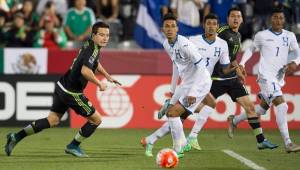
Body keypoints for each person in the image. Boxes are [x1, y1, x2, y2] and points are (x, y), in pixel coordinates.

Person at [152, 7, 278, 152]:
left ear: (242, 19)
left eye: (238, 16)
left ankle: (260, 140)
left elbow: (229, 59)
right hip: (215, 78)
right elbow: (208, 42)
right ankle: (174, 132)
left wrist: (238, 69)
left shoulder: (237, 35)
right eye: (232, 16)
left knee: (249, 106)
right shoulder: (221, 31)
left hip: (230, 78)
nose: (235, 19)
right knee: (191, 109)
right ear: (227, 19)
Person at [5, 21, 122, 158]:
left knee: (52, 120)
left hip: (62, 85)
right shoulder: (92, 49)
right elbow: (85, 71)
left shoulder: (90, 44)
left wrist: (107, 76)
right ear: (94, 35)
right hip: (72, 92)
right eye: (102, 35)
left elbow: (94, 62)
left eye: (107, 35)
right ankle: (73, 146)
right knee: (96, 120)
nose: (105, 38)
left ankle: (16, 136)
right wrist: (99, 84)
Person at [228, 7, 300, 153]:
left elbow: (298, 52)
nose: (278, 20)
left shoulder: (290, 35)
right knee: (283, 106)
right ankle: (288, 142)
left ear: (284, 20)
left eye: (281, 18)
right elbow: (250, 49)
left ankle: (234, 120)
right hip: (265, 77)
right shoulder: (262, 35)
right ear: (270, 19)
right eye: (275, 18)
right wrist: (242, 64)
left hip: (279, 78)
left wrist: (296, 62)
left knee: (261, 109)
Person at [141, 12, 212, 158]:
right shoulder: (166, 44)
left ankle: (178, 148)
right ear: (162, 29)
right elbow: (176, 65)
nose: (170, 29)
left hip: (200, 82)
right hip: (187, 83)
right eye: (167, 26)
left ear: (177, 29)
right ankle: (151, 140)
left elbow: (201, 66)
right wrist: (173, 90)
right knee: (172, 115)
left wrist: (193, 91)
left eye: (173, 26)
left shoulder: (185, 44)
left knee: (172, 114)